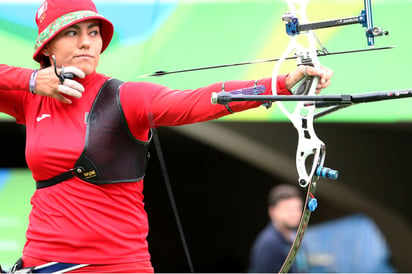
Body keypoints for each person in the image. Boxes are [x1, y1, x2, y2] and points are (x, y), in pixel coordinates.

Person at [0, 0, 333, 272]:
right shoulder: (31, 99)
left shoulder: (124, 97)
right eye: (71, 32)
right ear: (48, 45)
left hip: (116, 265)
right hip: (41, 262)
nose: (87, 41)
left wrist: (281, 84)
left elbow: (196, 102)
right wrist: (31, 80)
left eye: (93, 32)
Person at [249, 184, 306, 273]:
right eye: (288, 209)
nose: (294, 214)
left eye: (298, 208)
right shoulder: (269, 244)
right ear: (272, 212)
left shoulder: (294, 237)